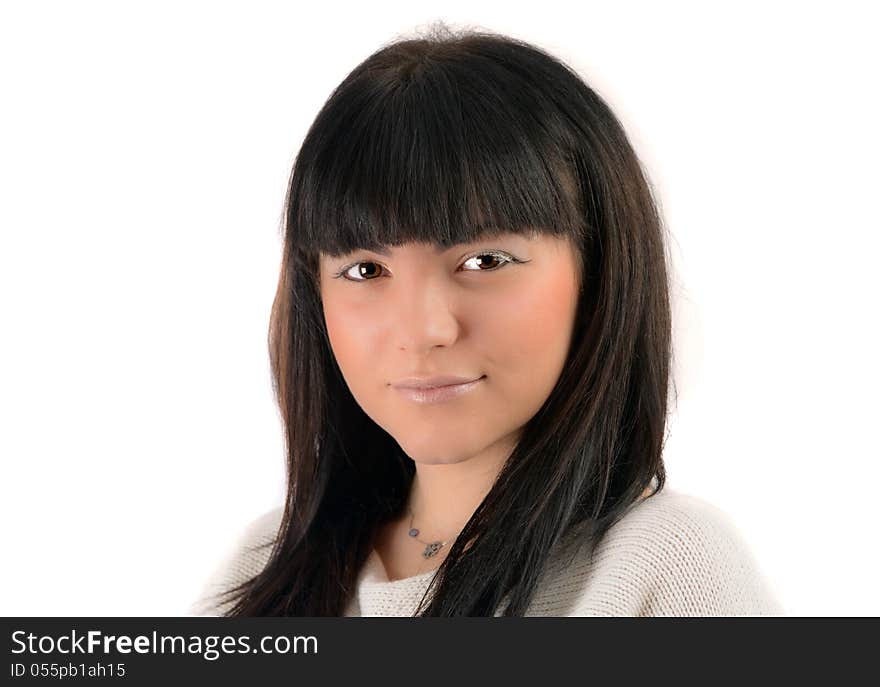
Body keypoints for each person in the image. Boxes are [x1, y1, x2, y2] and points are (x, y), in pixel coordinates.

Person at [191, 24, 783, 617]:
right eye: (366, 270)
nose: (424, 331)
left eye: (484, 261)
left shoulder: (665, 567)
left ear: (600, 270)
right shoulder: (268, 570)